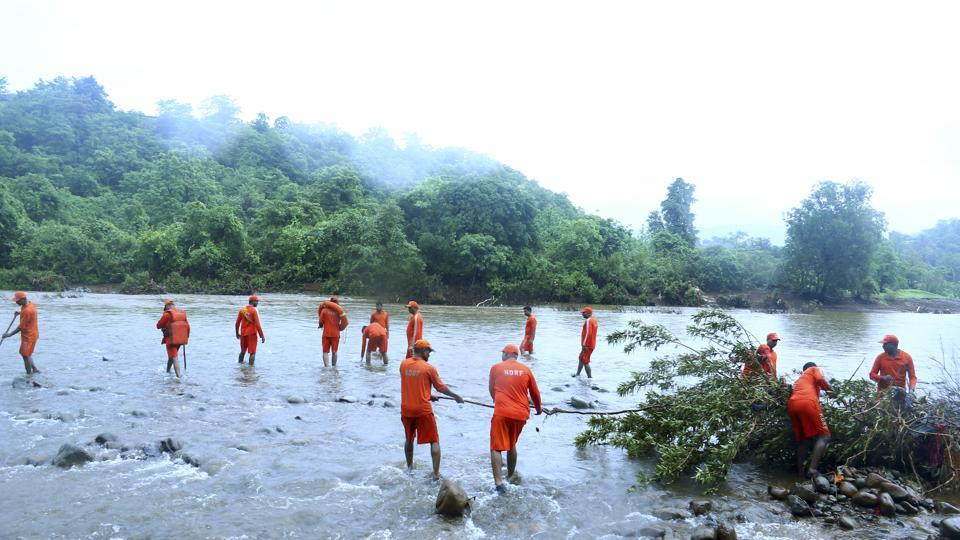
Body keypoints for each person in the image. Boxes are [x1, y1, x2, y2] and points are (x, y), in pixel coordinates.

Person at [399, 339, 463, 479]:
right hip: (423, 410)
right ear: (424, 351)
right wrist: (456, 396)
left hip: (406, 410)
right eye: (429, 351)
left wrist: (428, 395)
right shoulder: (428, 368)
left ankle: (409, 468)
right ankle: (435, 474)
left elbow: (412, 385)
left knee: (409, 439)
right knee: (434, 441)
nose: (430, 354)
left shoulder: (403, 365)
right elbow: (441, 388)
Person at [488, 344, 542, 493]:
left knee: (496, 447)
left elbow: (491, 390)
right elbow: (535, 394)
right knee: (511, 444)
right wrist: (538, 409)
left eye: (502, 353)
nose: (501, 356)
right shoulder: (526, 370)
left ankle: (499, 483)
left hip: (502, 412)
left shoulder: (495, 368)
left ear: (506, 354)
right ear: (516, 355)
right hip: (520, 414)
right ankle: (510, 476)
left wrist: (497, 402)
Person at [787, 361, 832, 477]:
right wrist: (832, 391)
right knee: (825, 436)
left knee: (804, 439)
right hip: (807, 403)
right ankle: (812, 470)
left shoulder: (800, 380)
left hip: (792, 404)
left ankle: (800, 472)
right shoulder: (813, 369)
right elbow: (821, 380)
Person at [3, 291, 39, 375]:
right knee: (27, 353)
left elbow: (21, 327)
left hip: (28, 336)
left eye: (17, 300)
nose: (16, 302)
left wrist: (9, 334)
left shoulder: (27, 311)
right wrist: (20, 313)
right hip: (33, 334)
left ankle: (29, 375)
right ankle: (35, 369)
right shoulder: (30, 304)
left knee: (25, 355)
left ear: (23, 299)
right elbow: (28, 314)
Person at [156, 299, 190, 378]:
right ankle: (168, 371)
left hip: (170, 340)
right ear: (173, 305)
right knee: (172, 355)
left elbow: (158, 325)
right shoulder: (181, 313)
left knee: (174, 357)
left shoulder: (167, 314)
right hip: (181, 339)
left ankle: (178, 378)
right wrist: (186, 338)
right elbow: (188, 327)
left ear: (167, 306)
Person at [235, 295, 265, 365]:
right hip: (252, 334)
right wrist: (262, 336)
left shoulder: (242, 310)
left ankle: (240, 367)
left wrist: (237, 333)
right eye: (256, 301)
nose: (257, 303)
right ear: (252, 302)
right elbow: (257, 324)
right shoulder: (254, 311)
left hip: (243, 334)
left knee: (242, 351)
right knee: (252, 352)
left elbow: (237, 323)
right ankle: (251, 370)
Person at [318, 296, 347, 367]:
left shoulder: (324, 311)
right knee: (334, 352)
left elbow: (321, 322)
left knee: (325, 352)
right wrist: (340, 328)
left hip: (326, 334)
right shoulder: (339, 311)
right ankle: (334, 368)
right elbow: (344, 321)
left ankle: (326, 368)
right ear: (337, 303)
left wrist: (320, 325)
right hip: (335, 334)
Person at [574, 307, 598, 378]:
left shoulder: (588, 321)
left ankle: (590, 378)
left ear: (588, 313)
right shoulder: (594, 320)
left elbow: (588, 333)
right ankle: (577, 374)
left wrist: (584, 344)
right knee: (581, 357)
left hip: (587, 345)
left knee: (585, 361)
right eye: (582, 313)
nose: (582, 314)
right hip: (591, 344)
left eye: (584, 313)